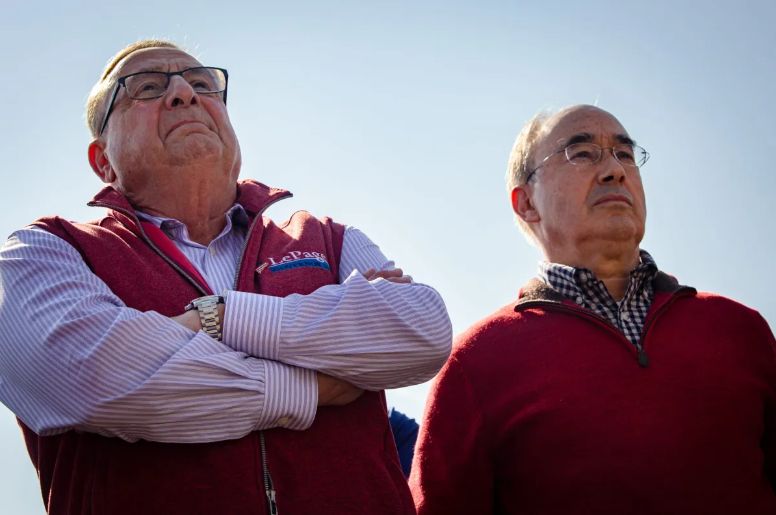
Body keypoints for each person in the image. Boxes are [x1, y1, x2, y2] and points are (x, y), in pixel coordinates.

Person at [0, 39, 452, 515]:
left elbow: (420, 332)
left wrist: (219, 316)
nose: (183, 93)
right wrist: (314, 386)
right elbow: (92, 377)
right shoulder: (45, 253)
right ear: (103, 161)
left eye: (202, 83)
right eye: (147, 87)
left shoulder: (327, 237)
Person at [409, 105, 776, 514]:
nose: (615, 170)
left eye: (625, 154)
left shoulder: (740, 329)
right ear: (526, 202)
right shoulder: (475, 362)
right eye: (582, 154)